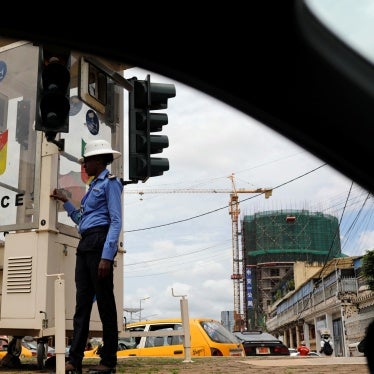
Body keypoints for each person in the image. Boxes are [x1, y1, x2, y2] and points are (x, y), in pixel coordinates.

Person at [50, 139, 123, 374]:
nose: (84, 165)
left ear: (99, 161)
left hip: (100, 244)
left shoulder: (110, 184)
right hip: (86, 244)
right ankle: (75, 360)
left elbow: (115, 221)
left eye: (87, 161)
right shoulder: (93, 186)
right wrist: (67, 202)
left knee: (105, 304)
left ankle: (108, 362)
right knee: (82, 305)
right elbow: (83, 220)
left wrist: (107, 256)